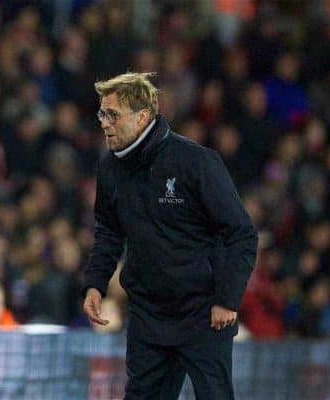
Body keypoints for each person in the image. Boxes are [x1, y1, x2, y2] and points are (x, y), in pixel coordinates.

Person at [82, 72, 258, 400]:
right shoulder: (109, 168)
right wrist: (95, 283)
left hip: (203, 314)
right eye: (101, 114)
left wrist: (227, 300)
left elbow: (242, 234)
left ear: (142, 117)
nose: (104, 123)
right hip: (148, 314)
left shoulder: (196, 161)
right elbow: (108, 232)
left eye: (112, 115)